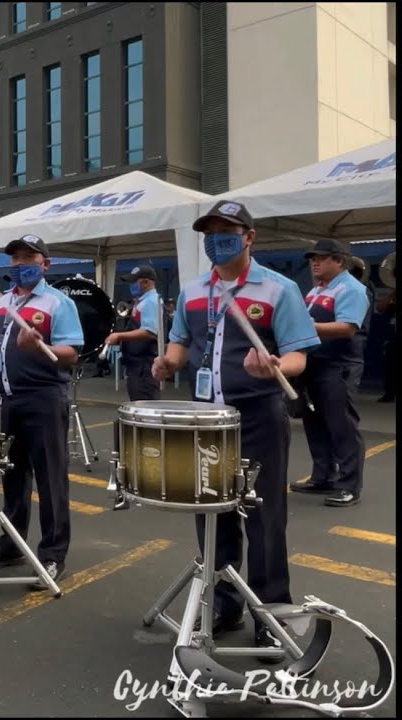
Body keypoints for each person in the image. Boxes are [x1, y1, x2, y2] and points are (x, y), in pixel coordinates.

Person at [152, 200, 319, 655]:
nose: (217, 239)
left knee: (266, 519)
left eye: (227, 231)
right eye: (210, 232)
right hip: (207, 419)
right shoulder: (191, 292)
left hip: (259, 416)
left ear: (249, 237)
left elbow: (298, 356)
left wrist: (275, 366)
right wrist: (168, 363)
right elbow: (182, 341)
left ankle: (271, 612)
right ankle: (223, 605)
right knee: (212, 515)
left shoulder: (278, 290)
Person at [0, 235, 83, 588]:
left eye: (28, 257)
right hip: (8, 399)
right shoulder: (0, 305)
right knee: (12, 476)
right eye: (15, 258)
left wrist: (42, 346)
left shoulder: (57, 303)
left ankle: (53, 554)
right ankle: (12, 544)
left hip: (44, 397)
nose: (20, 264)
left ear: (46, 263)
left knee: (51, 479)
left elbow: (72, 352)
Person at [288, 240, 369, 507]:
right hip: (315, 364)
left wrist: (308, 326)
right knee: (315, 421)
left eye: (322, 258)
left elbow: (347, 327)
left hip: (338, 364)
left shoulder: (351, 289)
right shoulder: (316, 290)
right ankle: (323, 476)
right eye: (313, 258)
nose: (315, 262)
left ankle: (349, 485)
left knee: (342, 425)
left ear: (340, 261)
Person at [105, 265, 162, 401]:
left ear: (146, 282)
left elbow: (149, 332)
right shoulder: (143, 301)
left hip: (144, 367)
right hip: (137, 366)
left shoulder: (151, 302)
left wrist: (119, 336)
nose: (131, 285)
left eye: (134, 282)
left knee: (145, 407)